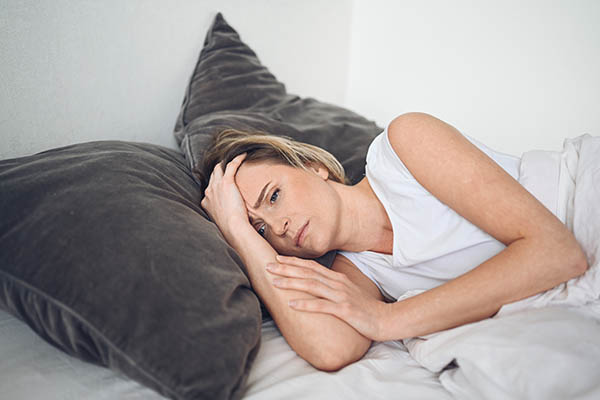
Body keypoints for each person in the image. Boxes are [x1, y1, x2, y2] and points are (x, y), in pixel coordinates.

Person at [198, 112, 588, 371]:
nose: (278, 227)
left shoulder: (403, 147)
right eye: (261, 229)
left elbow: (557, 253)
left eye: (274, 196)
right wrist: (239, 233)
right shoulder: (355, 279)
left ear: (313, 167)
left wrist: (386, 319)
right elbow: (330, 349)